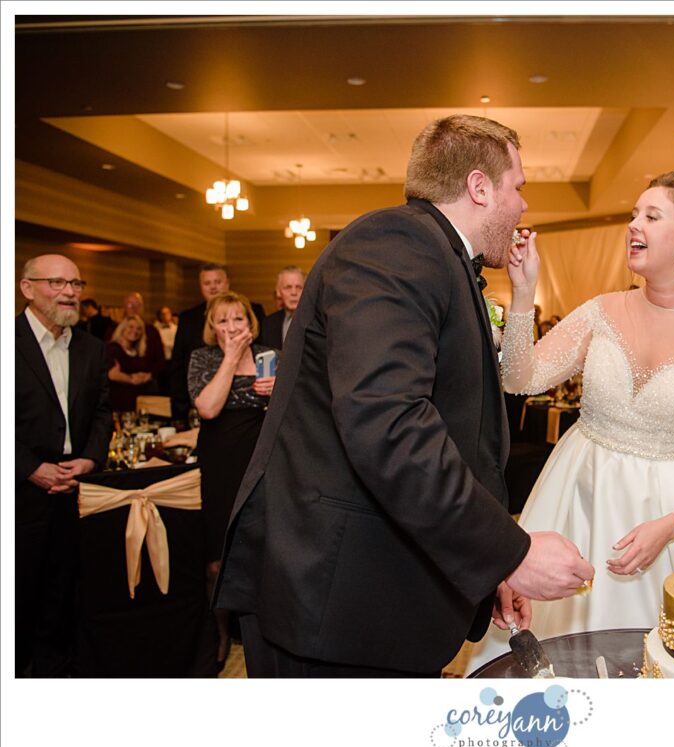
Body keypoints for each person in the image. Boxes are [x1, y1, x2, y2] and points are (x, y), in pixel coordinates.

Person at [214, 114, 594, 678]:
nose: (523, 205)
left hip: (377, 594)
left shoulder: (435, 255)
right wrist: (508, 552)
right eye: (518, 187)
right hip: (335, 603)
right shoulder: (396, 244)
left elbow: (454, 429)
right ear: (479, 186)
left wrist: (484, 568)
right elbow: (388, 423)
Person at [469, 170, 674, 670]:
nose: (633, 225)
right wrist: (523, 293)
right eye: (634, 214)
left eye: (652, 216)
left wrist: (671, 526)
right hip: (581, 495)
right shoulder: (602, 311)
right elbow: (521, 378)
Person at [15, 254, 112, 676]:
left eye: (76, 283)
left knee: (66, 595)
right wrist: (29, 468)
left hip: (77, 490)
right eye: (57, 283)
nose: (70, 292)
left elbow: (103, 412)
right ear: (27, 288)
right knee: (20, 597)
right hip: (21, 493)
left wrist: (90, 457)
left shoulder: (92, 347)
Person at [187, 291, 276, 673]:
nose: (232, 327)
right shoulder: (203, 358)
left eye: (238, 319)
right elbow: (208, 408)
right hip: (219, 462)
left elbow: (290, 412)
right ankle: (221, 633)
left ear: (249, 322)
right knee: (216, 560)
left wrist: (278, 392)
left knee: (260, 551)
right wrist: (229, 358)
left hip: (261, 461)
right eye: (223, 320)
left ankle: (257, 633)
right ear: (212, 326)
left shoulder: (269, 355)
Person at [168, 264, 266, 421]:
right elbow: (178, 367)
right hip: (205, 414)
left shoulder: (268, 355)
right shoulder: (191, 326)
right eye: (207, 283)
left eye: (217, 282)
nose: (232, 328)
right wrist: (179, 415)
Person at [106, 314, 160, 412]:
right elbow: (112, 374)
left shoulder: (137, 351)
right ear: (122, 328)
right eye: (131, 327)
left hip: (138, 401)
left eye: (139, 328)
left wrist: (146, 377)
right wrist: (132, 379)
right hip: (120, 401)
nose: (135, 331)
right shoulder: (113, 348)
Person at [107, 292, 166, 375]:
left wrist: (148, 376)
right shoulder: (113, 330)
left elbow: (160, 361)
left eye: (137, 304)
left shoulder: (151, 331)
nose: (134, 308)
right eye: (130, 305)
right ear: (124, 307)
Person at [261, 266, 305, 350]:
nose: (294, 292)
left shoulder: (317, 321)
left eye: (299, 287)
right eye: (288, 287)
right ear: (278, 292)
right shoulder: (269, 323)